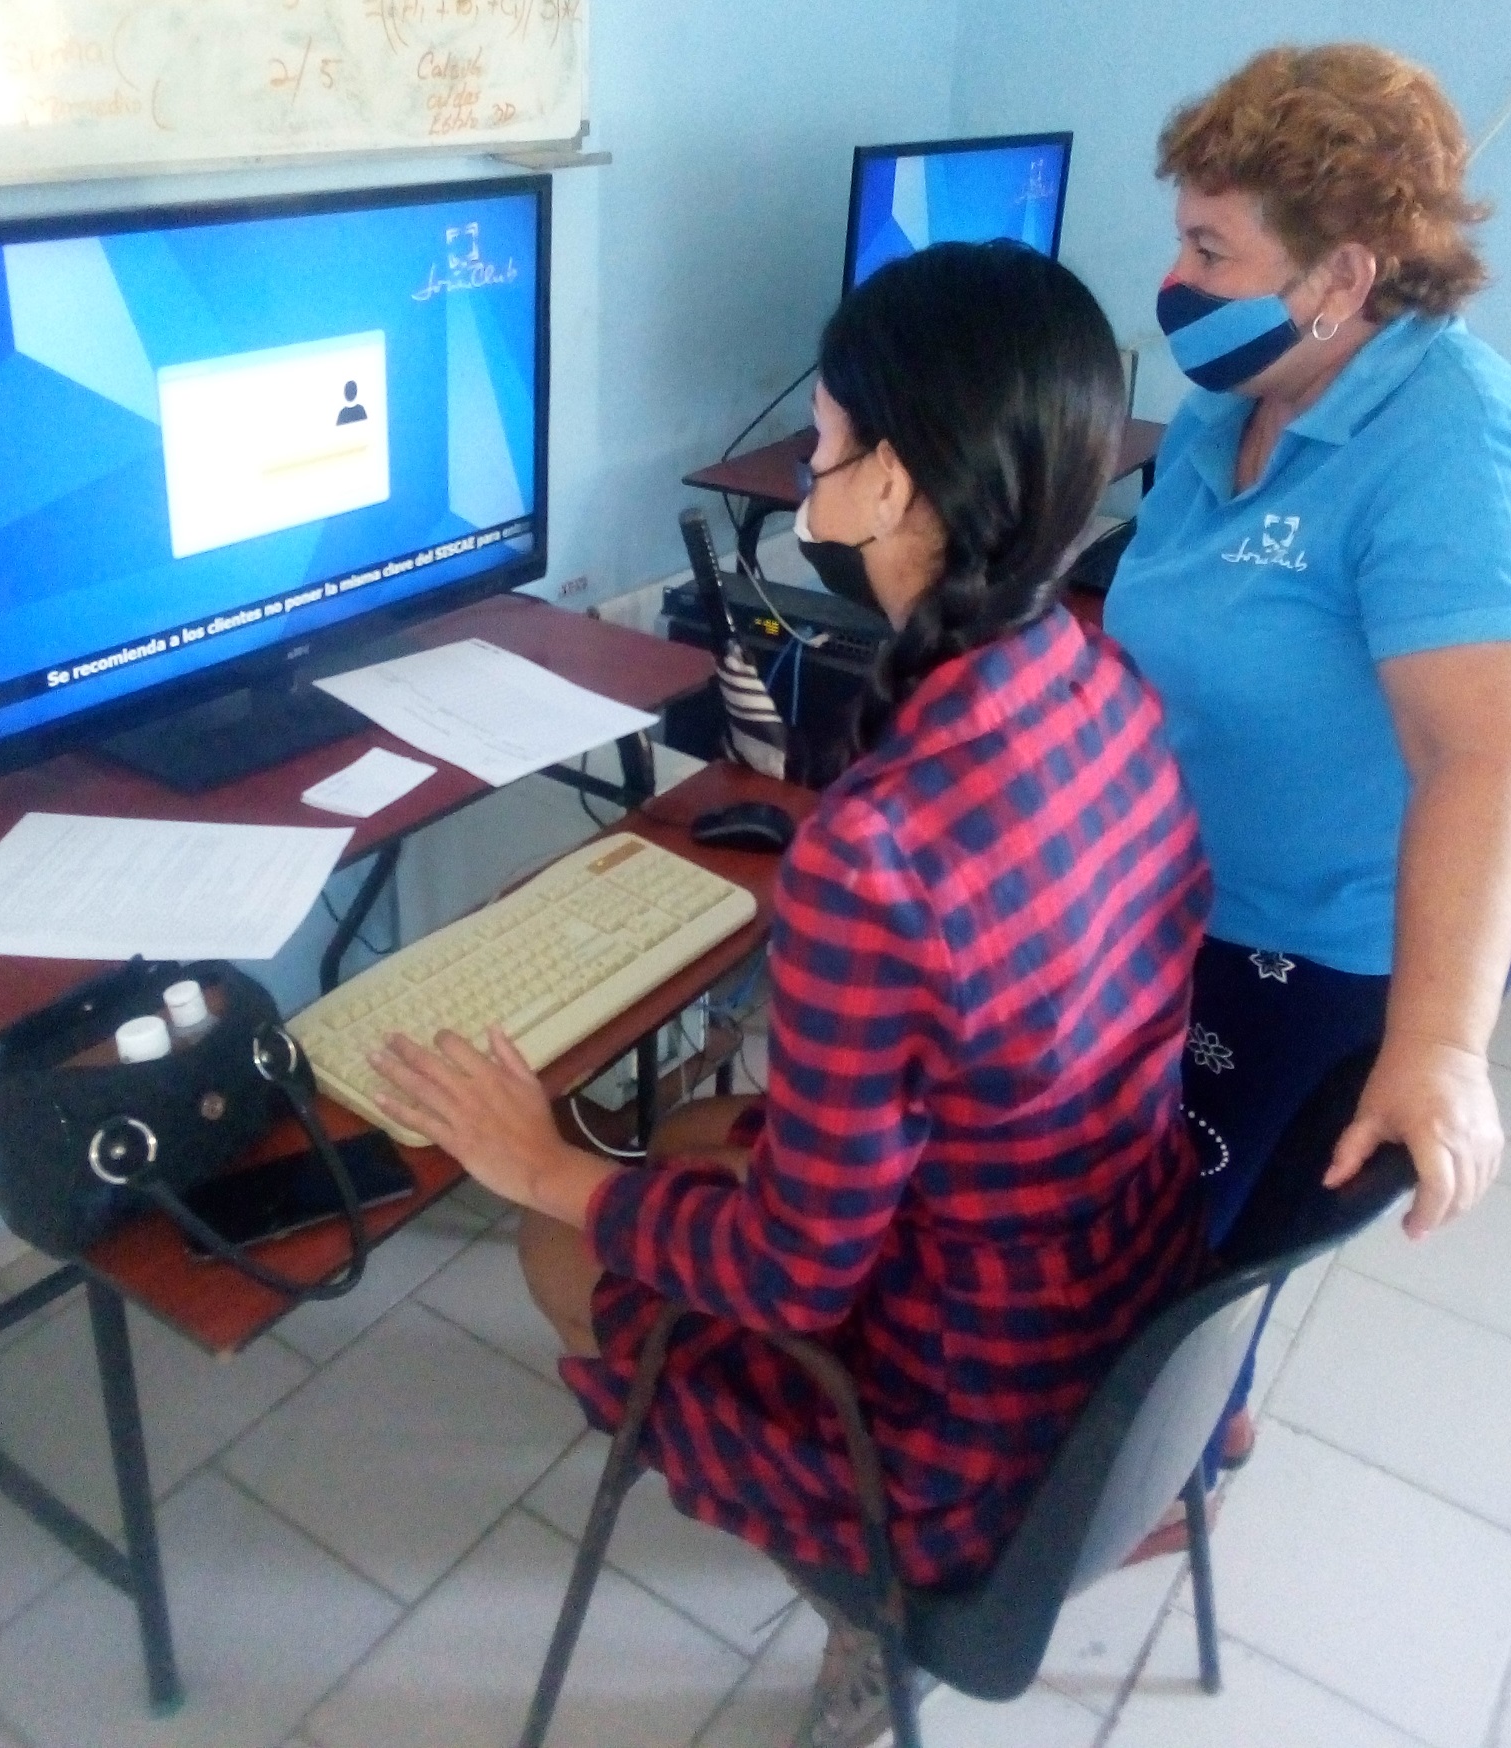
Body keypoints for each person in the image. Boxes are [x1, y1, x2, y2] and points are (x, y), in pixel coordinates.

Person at [372, 241, 1211, 1748]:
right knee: (692, 1130)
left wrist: (540, 1160)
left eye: (824, 441)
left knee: (558, 1235)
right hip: (1113, 1310)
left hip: (956, 1435)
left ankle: (860, 1611)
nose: (807, 472)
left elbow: (792, 1280)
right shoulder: (1102, 679)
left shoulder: (875, 859)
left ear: (892, 487)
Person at [1106, 43, 1511, 1488]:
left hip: (1300, 952)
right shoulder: (1233, 392)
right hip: (1166, 901)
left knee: (1155, 1274)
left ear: (1340, 278)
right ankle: (1181, 1441)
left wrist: (1440, 1047)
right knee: (1111, 1228)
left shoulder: (1444, 440)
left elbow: (1482, 759)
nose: (1174, 274)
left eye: (1209, 245)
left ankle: (1138, 1487)